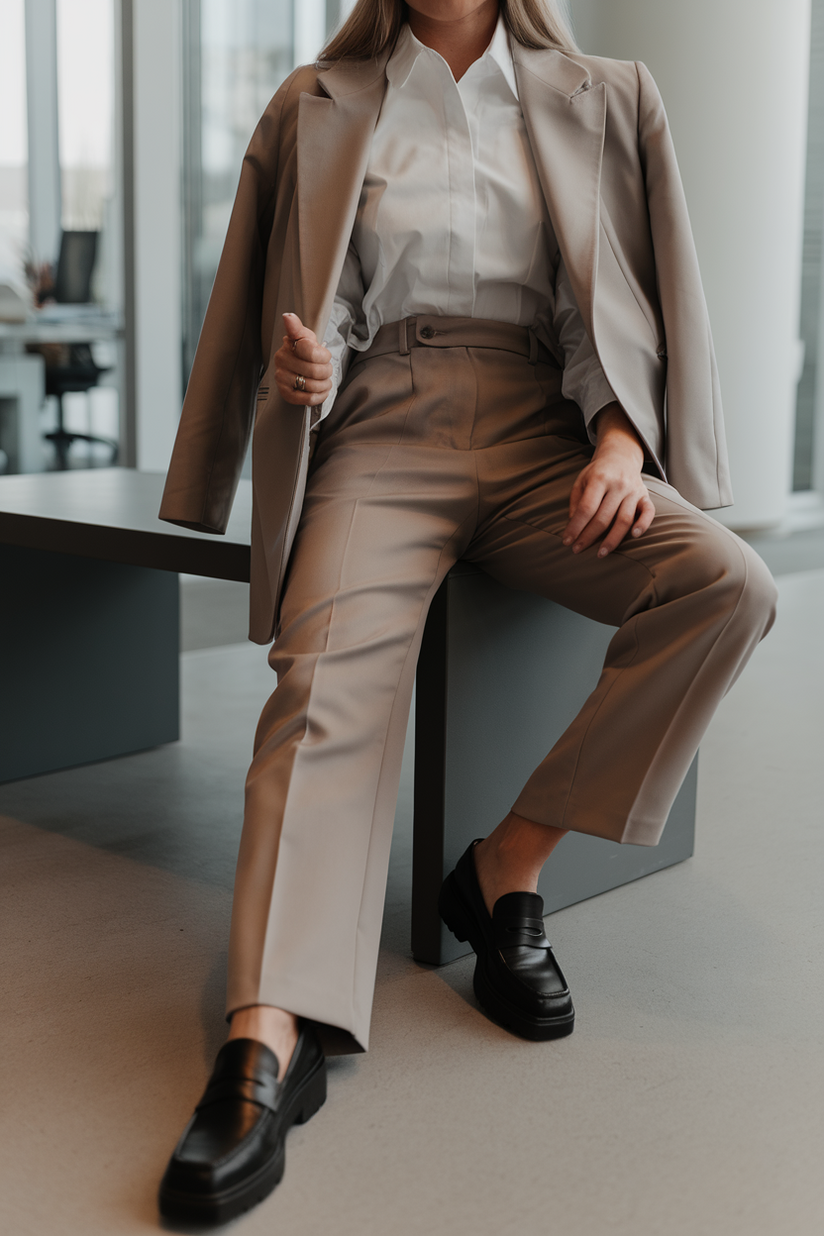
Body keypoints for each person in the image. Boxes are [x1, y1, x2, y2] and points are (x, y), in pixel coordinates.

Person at [156, 0, 777, 1224]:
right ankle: (268, 1036)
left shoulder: (608, 93)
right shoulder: (313, 102)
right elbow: (290, 294)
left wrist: (619, 441)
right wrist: (311, 365)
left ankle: (503, 869)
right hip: (380, 424)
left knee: (722, 584)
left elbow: (638, 297)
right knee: (319, 682)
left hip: (550, 430)